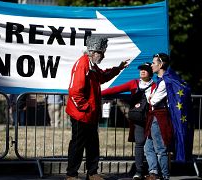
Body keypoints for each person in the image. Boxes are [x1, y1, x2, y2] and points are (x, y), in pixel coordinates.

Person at [65, 35, 129, 180]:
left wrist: (118, 69)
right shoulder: (82, 65)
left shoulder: (91, 66)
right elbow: (75, 92)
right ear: (93, 52)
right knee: (77, 145)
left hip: (90, 113)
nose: (103, 55)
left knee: (93, 145)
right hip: (81, 114)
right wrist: (86, 107)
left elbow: (103, 76)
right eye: (101, 52)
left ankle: (92, 173)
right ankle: (71, 174)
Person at [101, 62, 156, 180]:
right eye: (141, 69)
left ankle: (154, 172)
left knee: (153, 145)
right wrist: (98, 94)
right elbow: (116, 89)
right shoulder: (134, 83)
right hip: (138, 119)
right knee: (139, 144)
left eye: (145, 69)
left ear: (150, 72)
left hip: (152, 118)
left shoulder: (155, 85)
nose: (142, 71)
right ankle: (139, 171)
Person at [144, 53, 174, 180]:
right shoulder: (160, 81)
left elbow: (153, 101)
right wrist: (151, 97)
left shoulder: (164, 82)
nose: (151, 65)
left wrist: (150, 97)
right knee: (148, 147)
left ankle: (165, 176)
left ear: (161, 65)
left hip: (159, 117)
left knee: (160, 148)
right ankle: (154, 173)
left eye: (154, 63)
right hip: (154, 117)